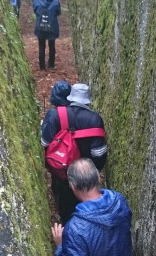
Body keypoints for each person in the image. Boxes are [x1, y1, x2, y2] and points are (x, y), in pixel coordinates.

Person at [41, 83, 107, 224]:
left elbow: (45, 143)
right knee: (83, 205)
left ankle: (65, 227)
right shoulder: (95, 119)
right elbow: (99, 153)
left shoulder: (55, 114)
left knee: (63, 202)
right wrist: (91, 171)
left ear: (70, 98)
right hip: (84, 174)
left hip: (60, 170)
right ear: (88, 101)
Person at [32, 0, 62, 70]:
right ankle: (51, 65)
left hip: (40, 25)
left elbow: (35, 10)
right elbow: (58, 12)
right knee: (52, 45)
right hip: (52, 25)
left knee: (41, 46)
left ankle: (42, 67)